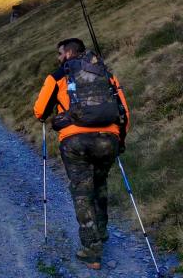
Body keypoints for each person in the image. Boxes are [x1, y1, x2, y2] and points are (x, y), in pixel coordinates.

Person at [33, 38, 130, 270]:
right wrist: (120, 139)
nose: (58, 58)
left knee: (81, 192)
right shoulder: (106, 74)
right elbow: (124, 112)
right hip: (109, 138)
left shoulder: (57, 77)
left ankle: (91, 249)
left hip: (75, 141)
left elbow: (39, 111)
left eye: (59, 54)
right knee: (100, 184)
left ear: (68, 53)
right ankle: (102, 231)